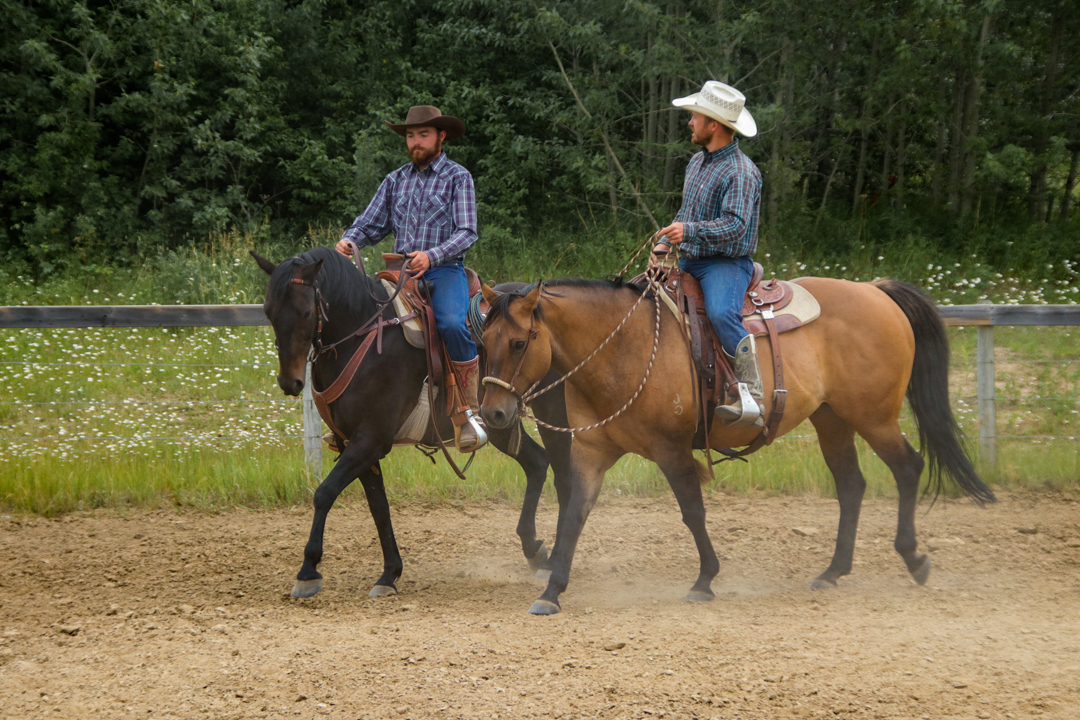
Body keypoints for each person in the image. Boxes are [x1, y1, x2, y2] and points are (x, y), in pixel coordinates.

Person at [335, 105, 487, 451]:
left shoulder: (457, 177)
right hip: (400, 271)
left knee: (450, 324)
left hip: (444, 270)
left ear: (440, 136)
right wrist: (350, 239)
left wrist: (431, 255)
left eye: (423, 135)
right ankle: (355, 416)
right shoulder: (395, 180)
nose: (416, 142)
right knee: (366, 320)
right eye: (410, 136)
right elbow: (369, 223)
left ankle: (467, 412)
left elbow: (467, 232)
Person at [653, 81, 764, 428]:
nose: (690, 122)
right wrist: (665, 243)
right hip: (688, 259)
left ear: (713, 125)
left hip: (725, 264)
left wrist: (689, 232)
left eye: (695, 116)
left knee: (721, 312)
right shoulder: (696, 163)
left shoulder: (742, 171)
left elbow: (735, 226)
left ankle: (752, 392)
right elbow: (687, 212)